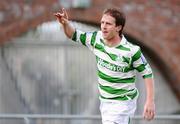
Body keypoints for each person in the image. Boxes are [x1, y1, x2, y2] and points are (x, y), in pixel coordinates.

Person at [54, 7, 155, 124]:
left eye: (108, 24)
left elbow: (147, 73)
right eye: (102, 22)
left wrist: (150, 101)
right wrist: (66, 24)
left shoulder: (131, 51)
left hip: (123, 103)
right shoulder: (96, 39)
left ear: (118, 27)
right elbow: (73, 34)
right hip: (105, 102)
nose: (103, 26)